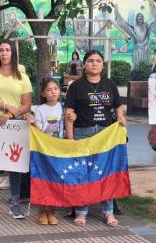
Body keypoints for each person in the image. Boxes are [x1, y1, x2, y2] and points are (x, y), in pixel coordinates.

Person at [65, 50, 126, 228]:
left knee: (105, 173)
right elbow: (69, 112)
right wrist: (70, 138)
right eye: (90, 61)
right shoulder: (76, 86)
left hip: (106, 135)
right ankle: (81, 212)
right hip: (83, 133)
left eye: (98, 61)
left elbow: (118, 106)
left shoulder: (110, 84)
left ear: (102, 64)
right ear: (84, 65)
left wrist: (120, 117)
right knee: (83, 174)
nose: (94, 64)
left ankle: (108, 212)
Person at [0, 40, 32, 222]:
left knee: (15, 166)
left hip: (15, 123)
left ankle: (15, 203)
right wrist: (5, 106)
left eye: (7, 50)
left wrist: (11, 113)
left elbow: (26, 104)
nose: (4, 53)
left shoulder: (22, 77)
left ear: (13, 53)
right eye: (1, 50)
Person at [25, 78, 66, 225]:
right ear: (43, 93)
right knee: (43, 180)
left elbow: (64, 128)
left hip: (58, 149)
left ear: (59, 90)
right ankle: (42, 210)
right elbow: (38, 130)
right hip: (42, 149)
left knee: (55, 179)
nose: (53, 92)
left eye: (55, 88)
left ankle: (52, 211)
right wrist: (34, 122)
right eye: (49, 90)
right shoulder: (40, 109)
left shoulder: (63, 108)